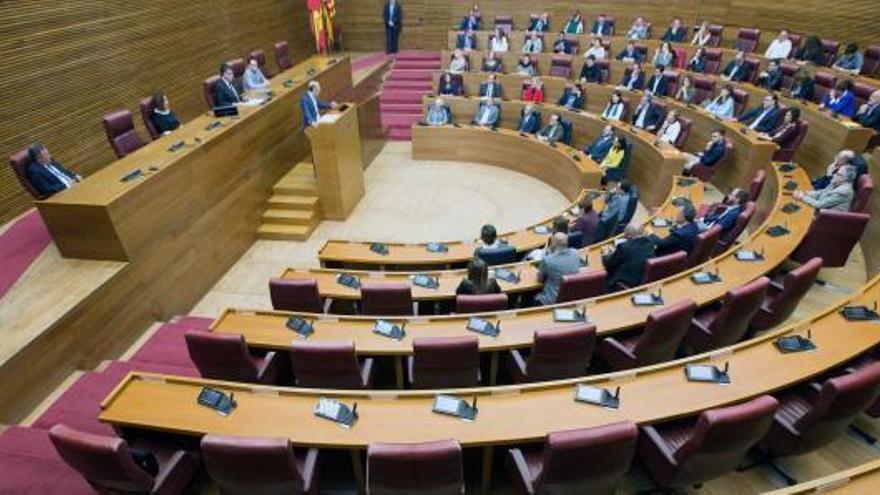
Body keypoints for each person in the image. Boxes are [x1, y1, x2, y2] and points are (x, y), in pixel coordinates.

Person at [602, 223, 657, 290]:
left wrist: (605, 255)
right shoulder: (650, 243)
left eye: (625, 234)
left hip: (625, 284)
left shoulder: (624, 247)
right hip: (642, 279)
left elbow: (609, 266)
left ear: (628, 235)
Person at [535, 233, 582, 305]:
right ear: (567, 242)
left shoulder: (548, 260)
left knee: (529, 297)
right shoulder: (576, 253)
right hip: (572, 297)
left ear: (553, 244)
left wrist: (549, 252)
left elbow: (540, 280)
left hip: (552, 300)